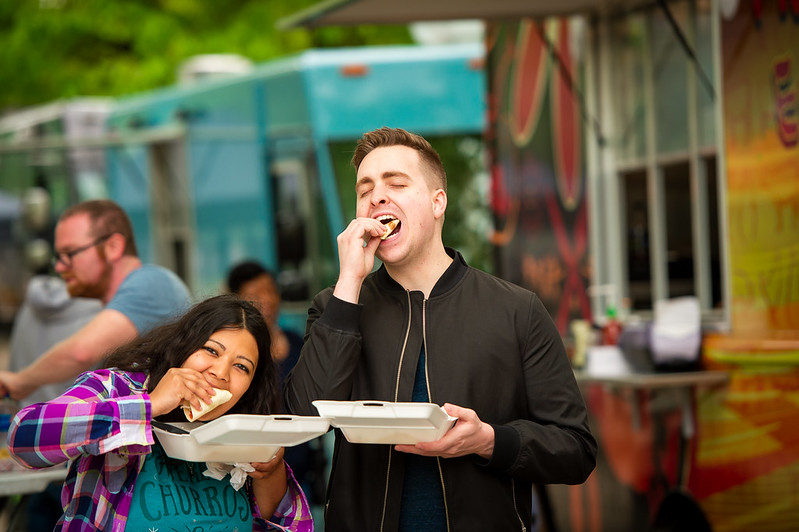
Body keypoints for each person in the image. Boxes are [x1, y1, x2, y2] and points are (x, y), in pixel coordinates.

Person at [283, 127, 597, 531]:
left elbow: (576, 450)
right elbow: (300, 420)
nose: (377, 195)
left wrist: (488, 439)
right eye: (366, 189)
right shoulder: (335, 306)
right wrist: (349, 285)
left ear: (437, 202)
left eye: (396, 182)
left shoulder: (517, 310)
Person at [8, 295, 314, 531]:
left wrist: (271, 471)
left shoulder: (243, 426)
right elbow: (24, 438)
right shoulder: (117, 387)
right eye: (211, 350)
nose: (220, 373)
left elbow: (279, 521)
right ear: (184, 345)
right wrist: (150, 405)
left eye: (241, 366)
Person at [0, 199, 192, 400]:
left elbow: (81, 353)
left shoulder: (152, 282)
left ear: (113, 247)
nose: (59, 267)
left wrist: (21, 381)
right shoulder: (131, 297)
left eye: (70, 253)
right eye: (58, 257)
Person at [227, 260, 328, 507]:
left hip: (302, 472)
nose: (267, 300)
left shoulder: (297, 342)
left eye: (270, 290)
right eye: (255, 295)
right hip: (255, 474)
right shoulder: (236, 356)